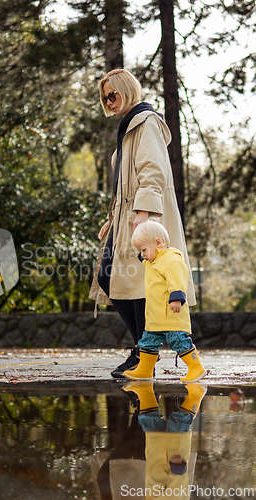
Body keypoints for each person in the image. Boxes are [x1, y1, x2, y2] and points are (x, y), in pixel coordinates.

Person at [89, 68, 196, 378]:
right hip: (125, 218)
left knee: (136, 283)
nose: (109, 102)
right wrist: (113, 222)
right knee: (114, 279)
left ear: (127, 90)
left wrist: (143, 215)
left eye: (113, 94)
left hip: (143, 217)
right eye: (105, 97)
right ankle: (143, 350)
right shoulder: (129, 126)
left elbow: (153, 172)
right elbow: (125, 181)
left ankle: (143, 354)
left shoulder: (146, 123)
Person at [123, 221, 206, 382]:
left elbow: (178, 280)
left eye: (144, 250)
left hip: (171, 314)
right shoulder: (151, 261)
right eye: (141, 251)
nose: (143, 254)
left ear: (158, 243)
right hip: (155, 317)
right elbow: (143, 255)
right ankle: (145, 370)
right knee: (147, 342)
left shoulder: (171, 260)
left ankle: (196, 368)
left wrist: (176, 299)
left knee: (178, 340)